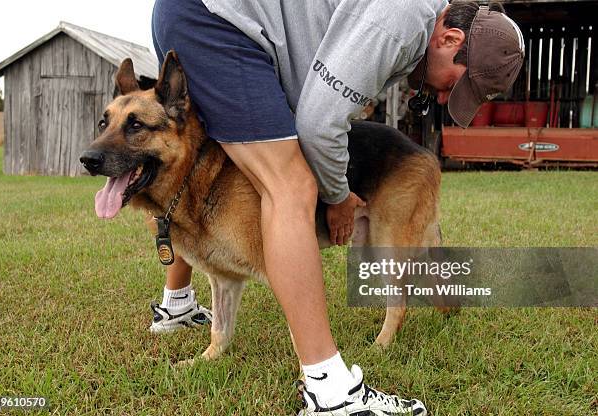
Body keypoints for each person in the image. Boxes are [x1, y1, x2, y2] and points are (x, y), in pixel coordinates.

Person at [150, 0, 524, 414]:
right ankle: (329, 391)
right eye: (455, 84)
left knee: (193, 165)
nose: (443, 96)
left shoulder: (407, 24)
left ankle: (177, 302)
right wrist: (338, 196)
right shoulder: (402, 20)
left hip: (193, 16)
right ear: (450, 39)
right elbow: (318, 123)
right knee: (288, 186)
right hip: (214, 22)